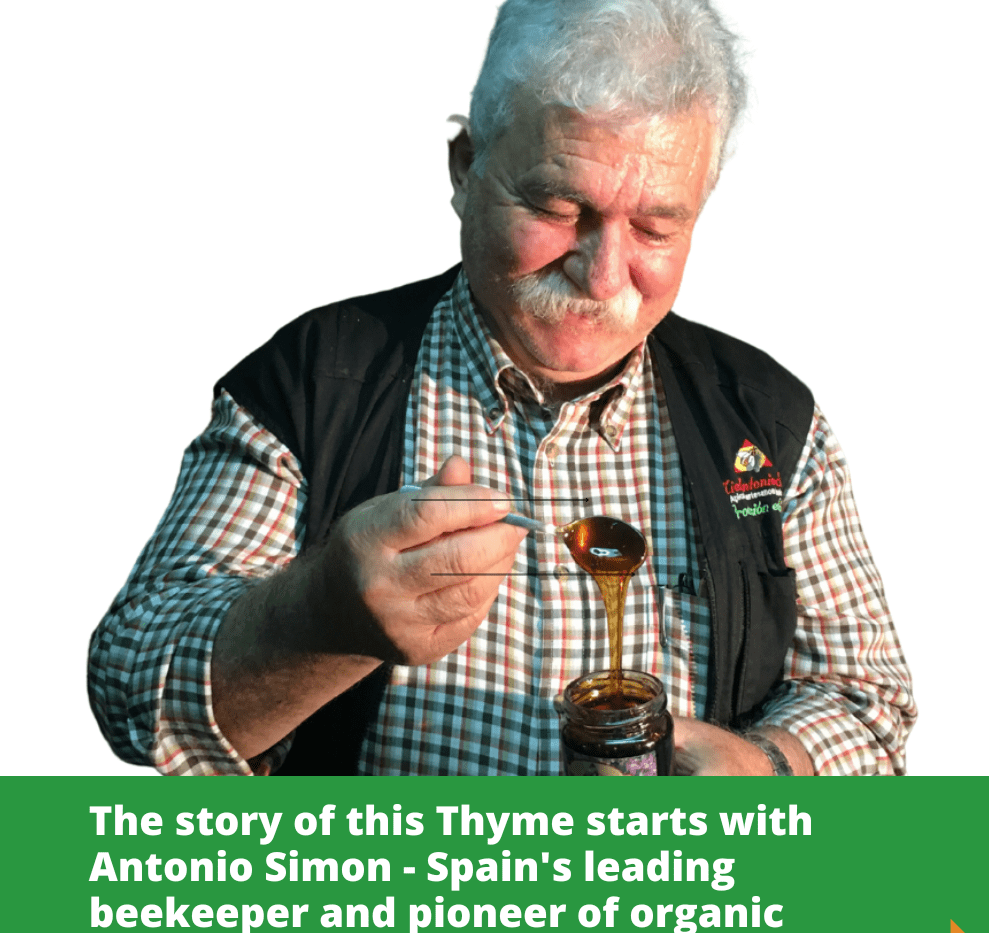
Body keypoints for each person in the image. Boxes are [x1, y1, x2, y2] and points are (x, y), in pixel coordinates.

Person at [88, 0, 915, 777]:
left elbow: (867, 702)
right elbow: (131, 687)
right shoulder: (315, 381)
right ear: (465, 167)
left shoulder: (769, 422)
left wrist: (769, 765)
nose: (601, 275)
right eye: (558, 206)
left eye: (657, 227)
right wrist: (317, 619)